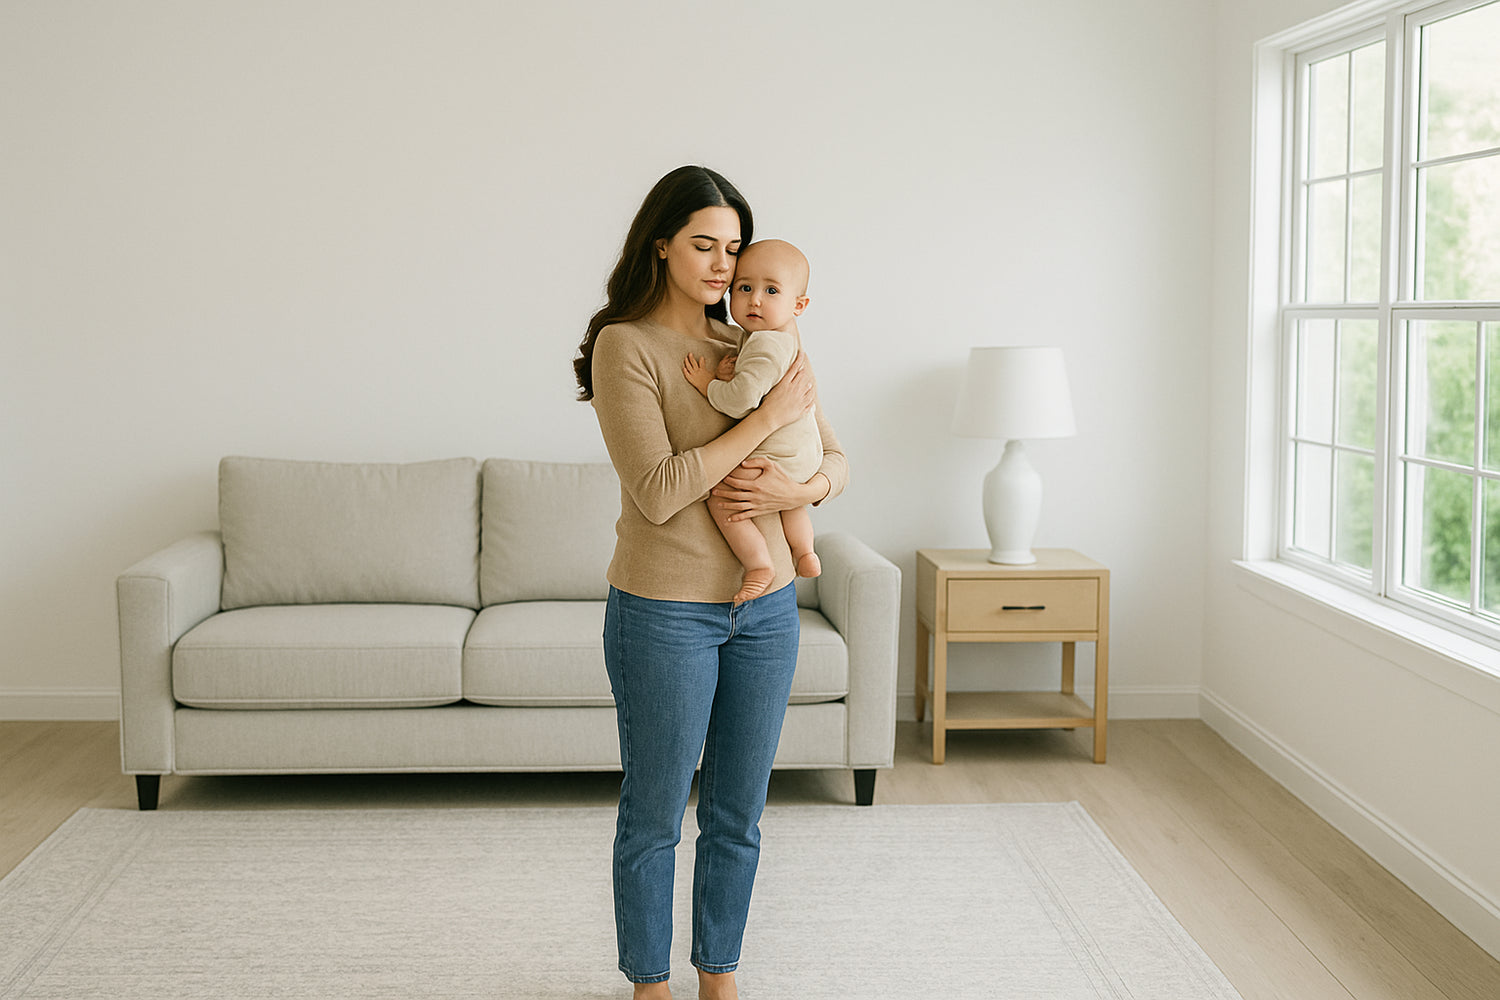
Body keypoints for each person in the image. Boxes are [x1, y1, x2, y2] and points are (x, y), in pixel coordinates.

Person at [573, 165, 847, 1000]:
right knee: (655, 816)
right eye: (704, 244)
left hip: (765, 613)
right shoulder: (629, 345)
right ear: (660, 245)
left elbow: (835, 458)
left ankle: (718, 978)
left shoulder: (758, 340)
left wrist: (799, 490)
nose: (725, 266)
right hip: (663, 613)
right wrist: (762, 423)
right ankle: (649, 984)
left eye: (734, 247)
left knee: (738, 814)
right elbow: (658, 490)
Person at [682, 239, 822, 605]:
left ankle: (758, 563)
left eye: (770, 290)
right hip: (804, 457)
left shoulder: (763, 343)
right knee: (791, 502)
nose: (754, 299)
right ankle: (805, 550)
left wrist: (709, 384)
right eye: (744, 288)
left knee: (723, 500)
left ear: (799, 305)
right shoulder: (785, 342)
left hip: (775, 455)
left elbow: (743, 401)